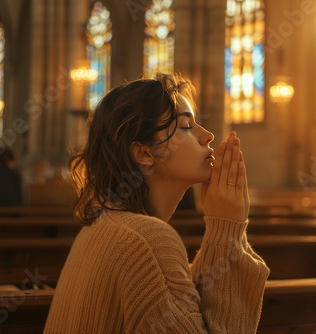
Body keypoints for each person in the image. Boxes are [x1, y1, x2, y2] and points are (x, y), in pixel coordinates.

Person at [44, 73, 270, 333]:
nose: (207, 136)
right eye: (186, 127)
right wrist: (227, 227)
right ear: (144, 153)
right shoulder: (148, 240)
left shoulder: (104, 223)